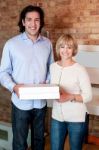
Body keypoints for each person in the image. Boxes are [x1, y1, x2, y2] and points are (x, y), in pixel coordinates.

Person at [0, 5, 53, 150]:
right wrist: (14, 87)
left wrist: (47, 82)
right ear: (23, 22)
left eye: (37, 20)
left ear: (41, 22)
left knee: (39, 141)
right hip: (20, 104)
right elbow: (3, 72)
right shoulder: (11, 44)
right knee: (19, 142)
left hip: (41, 104)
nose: (33, 24)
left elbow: (51, 68)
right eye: (29, 20)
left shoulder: (47, 44)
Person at [50, 34, 92, 150]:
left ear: (74, 49)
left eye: (69, 47)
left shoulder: (80, 69)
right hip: (57, 117)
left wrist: (69, 96)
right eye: (62, 46)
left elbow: (88, 96)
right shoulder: (52, 67)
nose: (65, 50)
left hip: (76, 118)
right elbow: (49, 86)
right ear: (58, 48)